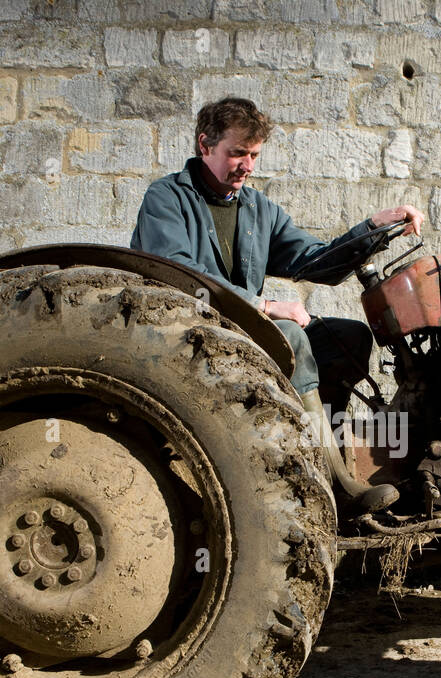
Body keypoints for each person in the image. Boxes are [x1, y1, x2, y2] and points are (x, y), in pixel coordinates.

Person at [132, 97, 424, 512]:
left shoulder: (258, 208)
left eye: (253, 155)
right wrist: (264, 305)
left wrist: (374, 227)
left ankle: (319, 448)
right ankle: (335, 484)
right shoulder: (166, 198)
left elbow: (314, 261)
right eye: (237, 153)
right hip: (187, 336)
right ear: (205, 145)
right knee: (289, 335)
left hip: (245, 333)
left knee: (348, 338)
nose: (247, 165)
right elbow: (178, 274)